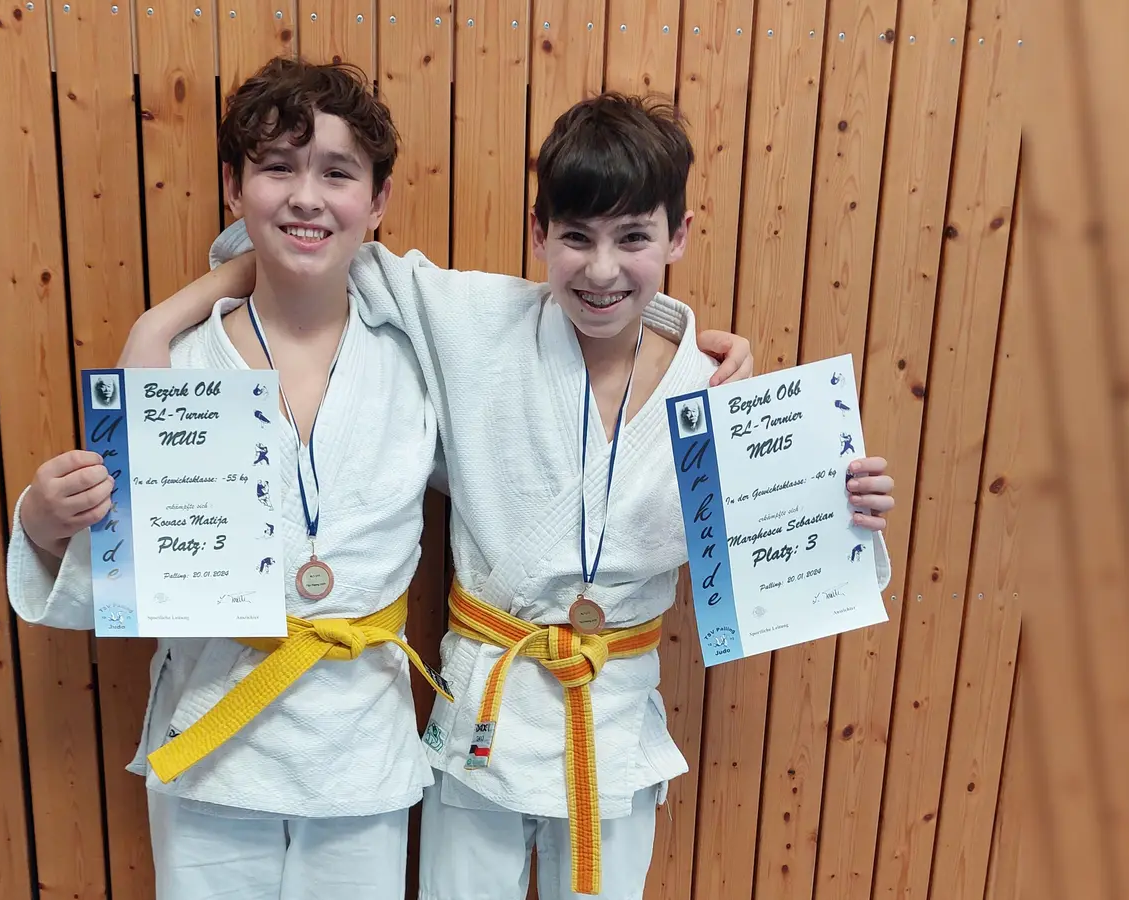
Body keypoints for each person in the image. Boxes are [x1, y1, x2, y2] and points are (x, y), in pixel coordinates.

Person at [128, 92, 897, 899]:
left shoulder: (713, 401)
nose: (602, 269)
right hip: (480, 731)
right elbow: (312, 241)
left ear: (679, 235)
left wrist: (839, 504)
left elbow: (782, 571)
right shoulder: (474, 323)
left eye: (634, 238)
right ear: (539, 234)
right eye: (575, 238)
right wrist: (157, 327)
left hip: (612, 727)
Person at [8, 59, 445, 899]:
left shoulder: (418, 354)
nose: (305, 196)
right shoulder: (178, 358)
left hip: (361, 749)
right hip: (213, 739)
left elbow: (550, 348)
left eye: (337, 173)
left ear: (379, 201)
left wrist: (670, 339)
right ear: (233, 186)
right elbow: (129, 551)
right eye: (277, 166)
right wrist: (42, 516)